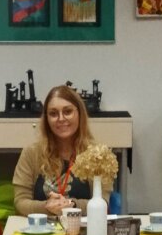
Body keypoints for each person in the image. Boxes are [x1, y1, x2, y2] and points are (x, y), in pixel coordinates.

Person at [12, 85, 115, 217]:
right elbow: (20, 203)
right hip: (41, 232)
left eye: (67, 112)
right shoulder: (31, 153)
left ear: (79, 114)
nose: (61, 119)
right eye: (53, 114)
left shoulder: (98, 155)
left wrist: (71, 205)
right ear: (47, 119)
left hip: (83, 233)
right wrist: (47, 207)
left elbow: (103, 203)